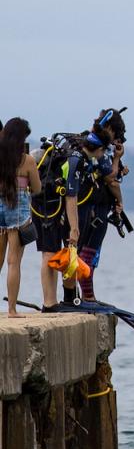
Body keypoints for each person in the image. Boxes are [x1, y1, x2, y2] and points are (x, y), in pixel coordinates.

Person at [33, 129, 112, 311]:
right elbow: (71, 196)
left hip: (53, 204)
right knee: (50, 253)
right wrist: (74, 229)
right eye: (103, 152)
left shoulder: (80, 157)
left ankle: (68, 299)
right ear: (98, 149)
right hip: (46, 206)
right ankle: (50, 303)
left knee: (70, 252)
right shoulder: (76, 161)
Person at [76, 108, 128, 301]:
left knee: (80, 253)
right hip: (95, 210)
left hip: (82, 207)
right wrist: (117, 159)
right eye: (115, 133)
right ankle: (88, 297)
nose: (115, 139)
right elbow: (111, 179)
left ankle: (79, 295)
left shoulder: (85, 141)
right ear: (108, 128)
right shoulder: (99, 147)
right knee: (89, 254)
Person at [0, 117, 41, 317]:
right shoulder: (27, 160)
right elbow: (38, 188)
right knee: (13, 262)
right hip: (17, 215)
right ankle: (12, 310)